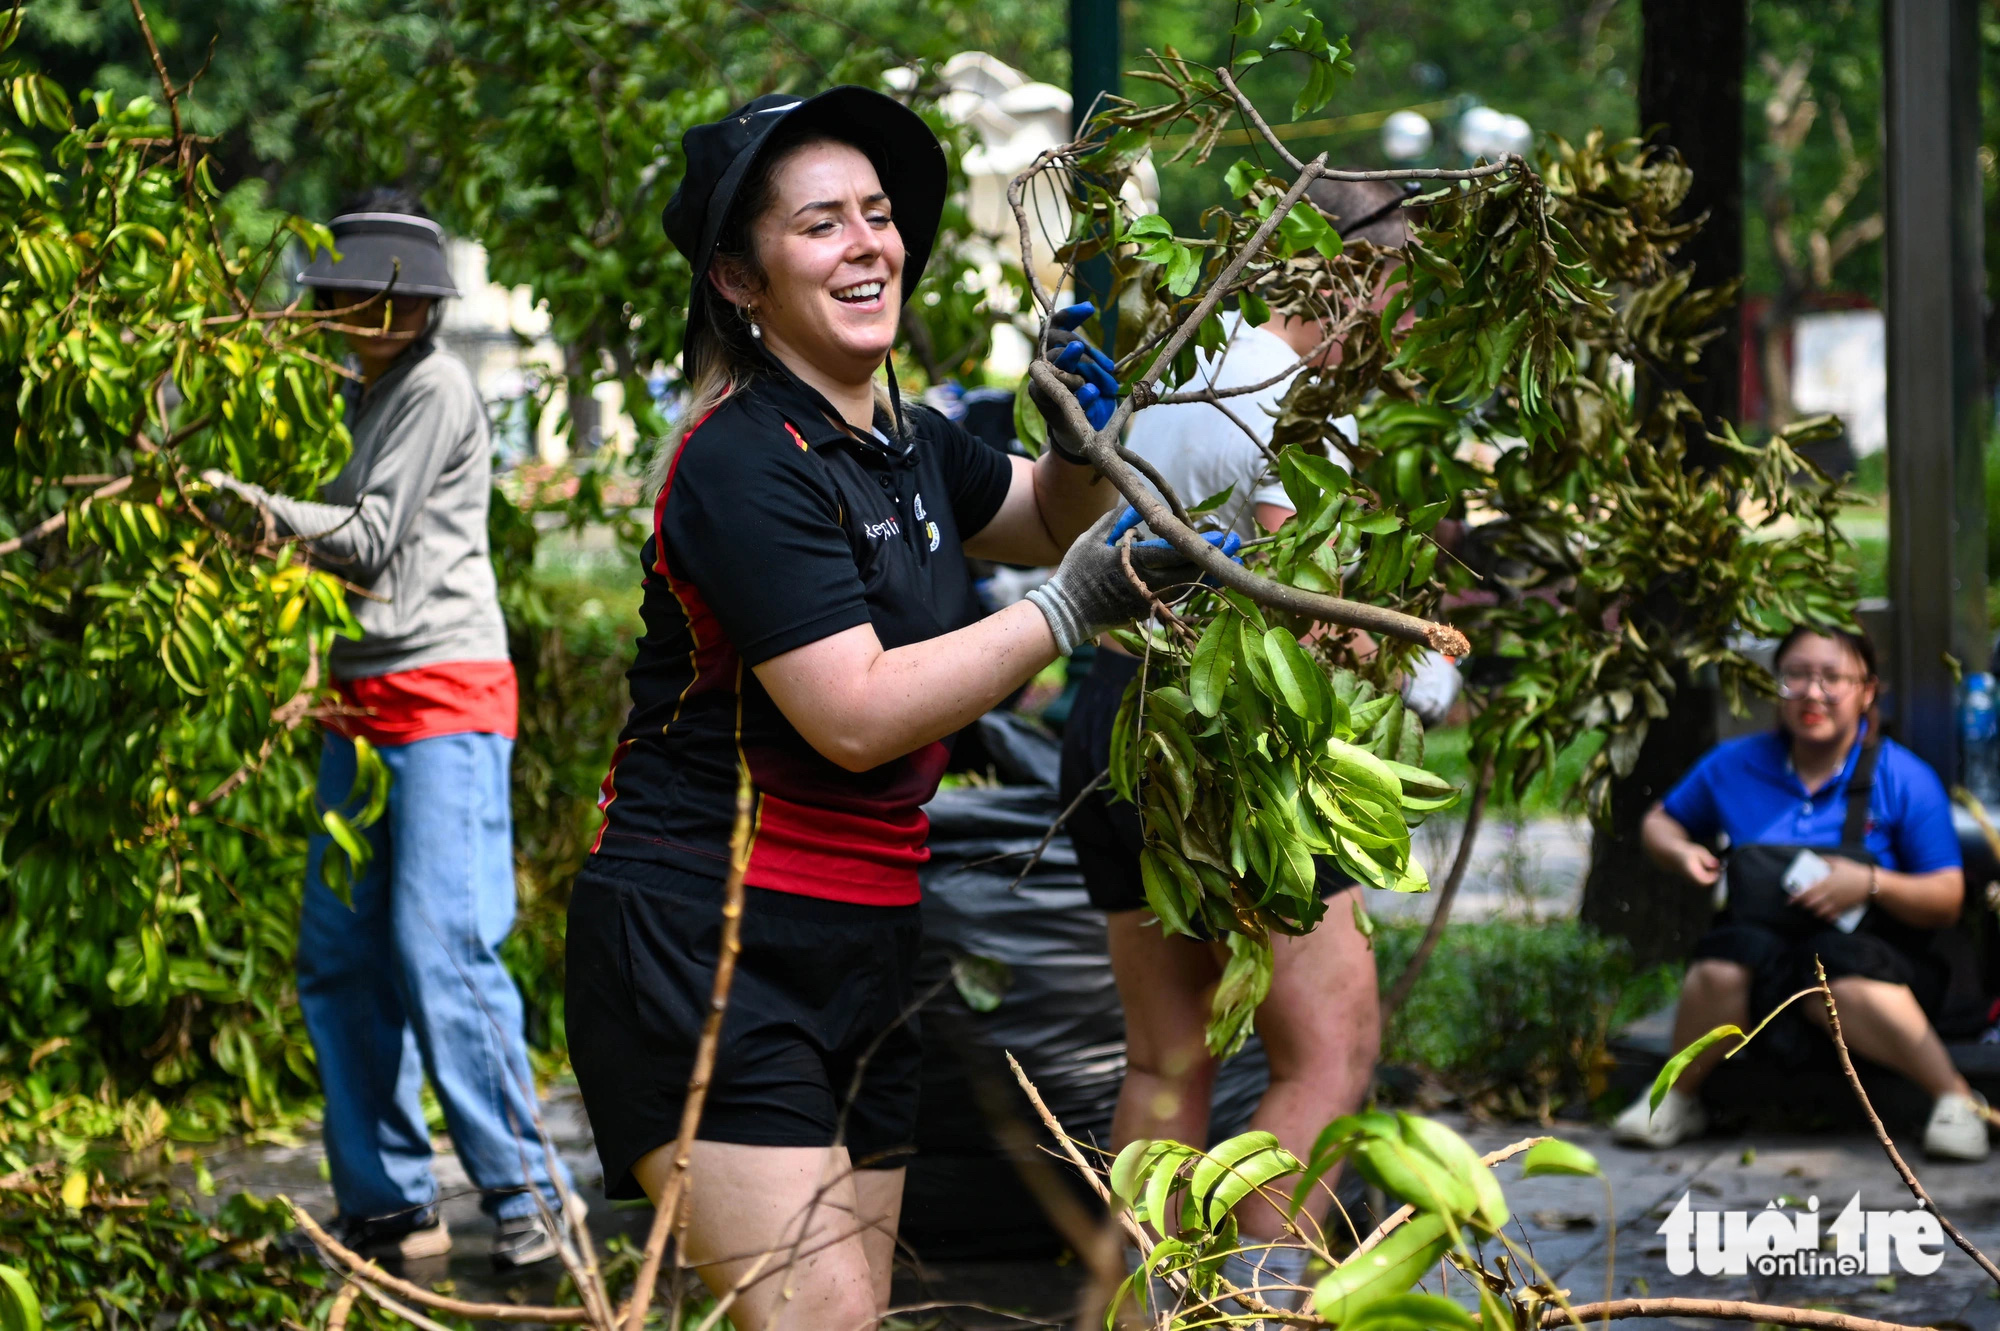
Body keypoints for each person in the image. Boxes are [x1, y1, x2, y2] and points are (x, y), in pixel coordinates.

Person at [562, 88, 1225, 1331]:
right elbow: (854, 713)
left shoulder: (904, 441)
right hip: (716, 932)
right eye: (820, 223)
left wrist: (1079, 443)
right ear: (738, 280)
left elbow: (1040, 517)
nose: (868, 243)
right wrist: (1068, 611)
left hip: (866, 947)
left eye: (877, 215)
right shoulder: (742, 459)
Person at [1056, 176, 1441, 1311]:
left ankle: (1140, 1309)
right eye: (1399, 288)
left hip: (1113, 721)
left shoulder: (1185, 365)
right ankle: (1260, 1303)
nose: (1402, 319)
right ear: (1349, 270)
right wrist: (1409, 660)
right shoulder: (1302, 398)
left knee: (1166, 1058)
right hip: (1230, 742)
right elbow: (1302, 609)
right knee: (1325, 1053)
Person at [202, 197, 576, 1266]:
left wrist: (246, 507)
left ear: (413, 304)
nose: (354, 311)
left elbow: (365, 543)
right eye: (337, 296)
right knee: (338, 955)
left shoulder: (433, 386)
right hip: (360, 706)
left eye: (372, 296)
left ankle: (523, 1193)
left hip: (444, 693)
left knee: (440, 945)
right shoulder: (350, 394)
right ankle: (386, 1202)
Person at [1610, 624, 1986, 1161]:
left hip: (1878, 969)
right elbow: (1660, 822)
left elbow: (1947, 896)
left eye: (1832, 678)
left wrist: (1871, 883)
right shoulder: (1732, 765)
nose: (1813, 692)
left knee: (1836, 970)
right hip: (1764, 972)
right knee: (1724, 957)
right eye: (1797, 677)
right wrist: (1681, 852)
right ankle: (1675, 1098)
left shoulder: (1905, 777)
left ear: (1867, 690)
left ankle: (1954, 1096)